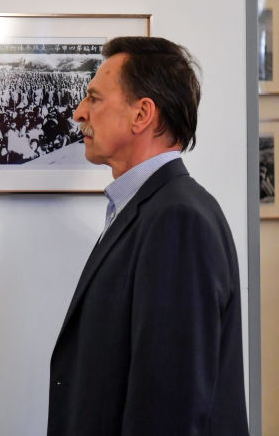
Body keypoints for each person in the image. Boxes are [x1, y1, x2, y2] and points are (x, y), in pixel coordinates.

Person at [48, 36, 247, 435]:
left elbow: (171, 404)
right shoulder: (153, 208)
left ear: (141, 114)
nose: (79, 112)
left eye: (94, 98)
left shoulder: (177, 219)